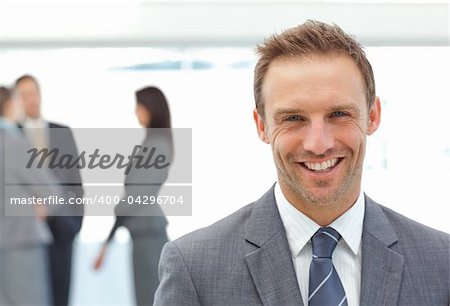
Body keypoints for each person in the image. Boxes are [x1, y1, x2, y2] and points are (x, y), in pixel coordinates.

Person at [154, 20, 450, 306]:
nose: (318, 144)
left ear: (372, 116)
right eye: (293, 118)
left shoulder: (441, 263)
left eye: (338, 114)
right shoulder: (195, 268)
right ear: (262, 126)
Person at [93, 86, 172, 306]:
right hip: (142, 232)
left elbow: (137, 194)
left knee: (150, 297)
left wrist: (115, 213)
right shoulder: (151, 144)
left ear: (151, 108)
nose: (136, 112)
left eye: (139, 106)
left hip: (149, 233)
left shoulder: (156, 146)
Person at [13, 75, 84, 306]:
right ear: (16, 101)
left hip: (63, 229)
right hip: (24, 232)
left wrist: (75, 224)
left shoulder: (62, 131)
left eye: (33, 93)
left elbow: (75, 182)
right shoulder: (10, 136)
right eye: (23, 95)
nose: (30, 99)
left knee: (61, 295)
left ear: (40, 94)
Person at [0, 86, 61, 305]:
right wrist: (37, 204)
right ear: (9, 105)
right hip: (20, 242)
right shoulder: (15, 144)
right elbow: (53, 193)